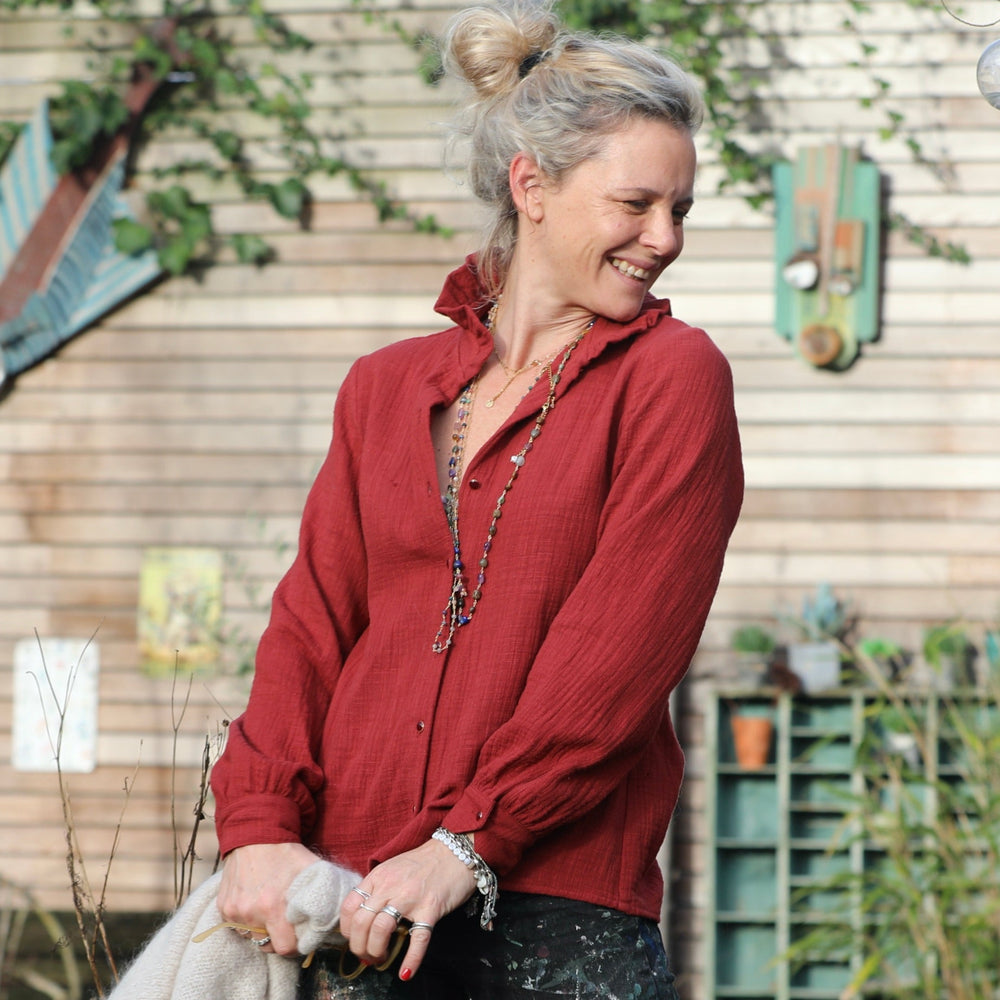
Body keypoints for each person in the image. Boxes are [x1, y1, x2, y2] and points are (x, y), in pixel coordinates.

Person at [211, 1, 744, 996]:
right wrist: (257, 826)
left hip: (552, 915)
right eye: (636, 204)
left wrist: (466, 842)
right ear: (530, 184)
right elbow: (312, 626)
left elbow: (617, 655)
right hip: (355, 907)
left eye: (681, 210)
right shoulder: (384, 387)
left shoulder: (672, 378)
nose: (665, 237)